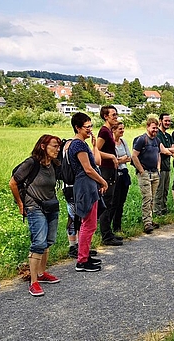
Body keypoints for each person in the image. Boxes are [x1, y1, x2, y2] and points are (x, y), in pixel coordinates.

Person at [9, 135, 62, 296]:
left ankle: (41, 273)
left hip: (51, 206)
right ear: (43, 146)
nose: (57, 149)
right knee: (38, 243)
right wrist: (20, 203)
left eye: (59, 147)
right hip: (34, 207)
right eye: (54, 146)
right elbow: (13, 182)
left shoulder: (53, 164)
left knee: (48, 241)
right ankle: (33, 282)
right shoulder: (31, 163)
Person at [67, 112, 108, 272]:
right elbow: (88, 169)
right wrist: (103, 181)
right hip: (85, 185)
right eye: (87, 127)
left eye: (91, 126)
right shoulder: (77, 144)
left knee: (90, 223)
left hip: (88, 184)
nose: (90, 130)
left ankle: (85, 255)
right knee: (88, 224)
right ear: (77, 128)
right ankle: (82, 260)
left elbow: (95, 162)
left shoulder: (82, 143)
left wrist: (93, 145)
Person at [95, 105, 123, 246]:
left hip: (111, 170)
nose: (116, 117)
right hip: (106, 170)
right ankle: (106, 236)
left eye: (116, 114)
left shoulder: (109, 131)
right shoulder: (104, 132)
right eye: (113, 114)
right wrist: (111, 156)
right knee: (106, 203)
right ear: (106, 116)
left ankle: (109, 232)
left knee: (111, 203)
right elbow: (95, 150)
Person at [132, 117, 162, 234]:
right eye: (153, 128)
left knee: (152, 198)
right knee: (147, 197)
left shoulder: (157, 140)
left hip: (154, 173)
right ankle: (147, 223)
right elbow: (134, 156)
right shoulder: (141, 140)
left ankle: (150, 219)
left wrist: (158, 168)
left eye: (156, 128)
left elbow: (158, 154)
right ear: (148, 127)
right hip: (145, 173)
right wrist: (141, 171)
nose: (155, 130)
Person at [154, 113, 174, 216]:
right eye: (166, 121)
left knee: (165, 190)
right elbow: (163, 151)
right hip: (159, 166)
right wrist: (168, 150)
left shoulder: (168, 135)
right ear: (160, 121)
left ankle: (163, 209)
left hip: (167, 166)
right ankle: (156, 211)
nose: (168, 123)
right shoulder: (157, 134)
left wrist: (167, 150)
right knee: (159, 190)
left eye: (169, 121)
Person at [112, 122, 132, 233]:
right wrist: (121, 159)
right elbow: (113, 161)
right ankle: (109, 226)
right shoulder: (111, 143)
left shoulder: (123, 142)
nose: (122, 131)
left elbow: (129, 157)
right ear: (114, 130)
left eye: (123, 128)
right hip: (115, 175)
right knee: (114, 202)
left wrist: (119, 159)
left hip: (124, 174)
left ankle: (117, 226)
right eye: (120, 129)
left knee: (121, 202)